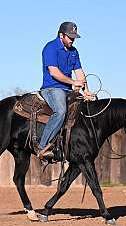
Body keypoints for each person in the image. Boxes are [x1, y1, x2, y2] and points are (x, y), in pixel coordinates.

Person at [37, 21, 94, 160]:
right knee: (61, 111)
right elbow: (54, 72)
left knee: (86, 108)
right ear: (61, 35)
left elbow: (79, 72)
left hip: (67, 89)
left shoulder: (74, 52)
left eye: (74, 37)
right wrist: (74, 82)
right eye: (70, 37)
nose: (72, 40)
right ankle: (42, 146)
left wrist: (86, 91)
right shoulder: (50, 48)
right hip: (52, 88)